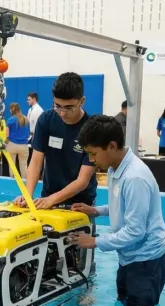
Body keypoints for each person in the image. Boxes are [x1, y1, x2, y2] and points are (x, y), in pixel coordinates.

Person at [69, 115, 165, 306]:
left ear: (112, 146)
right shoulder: (117, 168)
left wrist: (94, 241)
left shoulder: (134, 177)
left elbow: (135, 232)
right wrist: (96, 210)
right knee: (127, 301)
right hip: (131, 257)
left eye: (94, 154)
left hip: (147, 259)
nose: (91, 160)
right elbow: (122, 208)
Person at [23, 72, 98, 211]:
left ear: (82, 101)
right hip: (48, 197)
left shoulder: (92, 129)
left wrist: (52, 200)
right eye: (57, 105)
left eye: (69, 107)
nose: (62, 112)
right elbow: (35, 162)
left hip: (80, 204)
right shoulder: (46, 120)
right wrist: (27, 195)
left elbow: (83, 180)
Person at [5, 102, 31, 172]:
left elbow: (7, 134)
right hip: (24, 146)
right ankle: (25, 182)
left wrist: (6, 141)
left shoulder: (10, 120)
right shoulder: (26, 119)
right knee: (24, 166)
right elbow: (28, 134)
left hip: (12, 144)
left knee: (12, 165)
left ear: (12, 110)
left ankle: (13, 182)